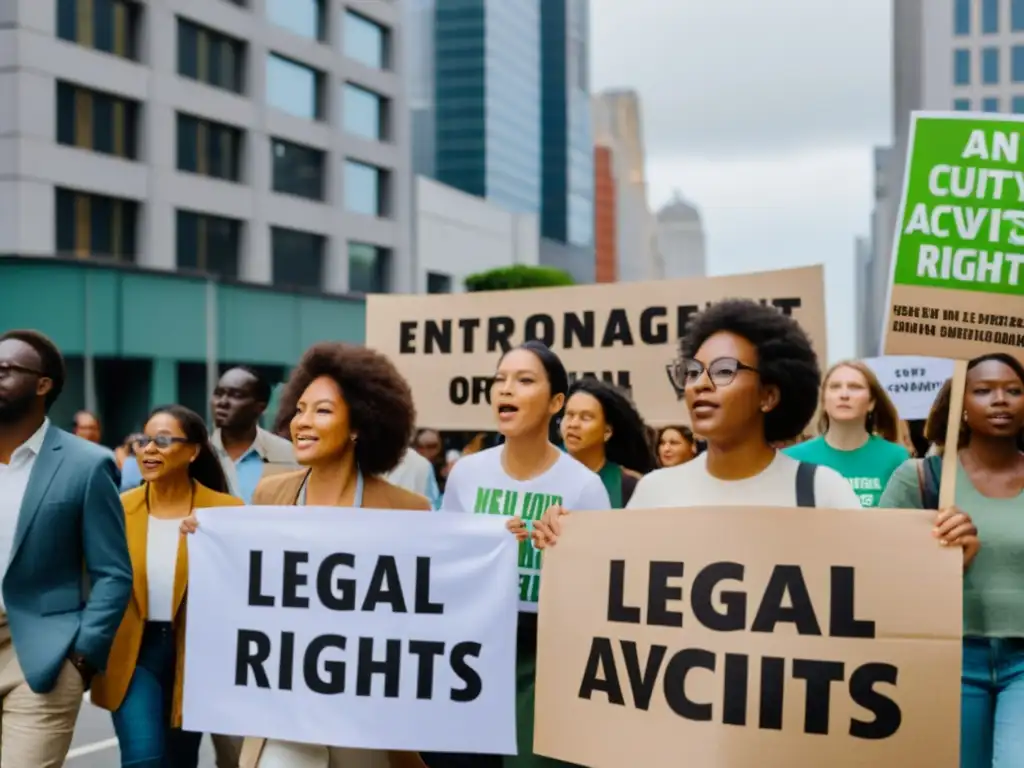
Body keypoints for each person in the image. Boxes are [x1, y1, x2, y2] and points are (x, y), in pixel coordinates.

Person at [537, 300, 976, 550]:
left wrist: (946, 555)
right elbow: (614, 589)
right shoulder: (656, 492)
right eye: (691, 372)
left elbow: (876, 589)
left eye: (724, 371)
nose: (700, 385)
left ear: (769, 394)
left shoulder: (821, 491)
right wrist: (566, 541)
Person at [185, 342, 431, 768]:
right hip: (284, 710)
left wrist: (497, 542)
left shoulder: (407, 509)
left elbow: (425, 615)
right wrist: (208, 541)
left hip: (364, 712)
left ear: (359, 424)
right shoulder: (270, 493)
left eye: (322, 411)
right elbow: (247, 585)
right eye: (299, 410)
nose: (302, 422)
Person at [433, 340, 610, 768]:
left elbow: (603, 594)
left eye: (524, 381)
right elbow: (441, 567)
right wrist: (479, 546)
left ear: (555, 402)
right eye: (499, 380)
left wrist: (567, 551)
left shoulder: (585, 487)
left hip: (544, 659)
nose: (505, 390)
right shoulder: (467, 475)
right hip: (470, 652)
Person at [879, 353, 1020, 768]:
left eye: (1014, 390)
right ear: (959, 404)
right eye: (983, 390)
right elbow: (878, 570)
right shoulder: (921, 478)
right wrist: (940, 564)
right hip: (949, 660)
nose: (1001, 400)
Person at [0, 329, 132, 766]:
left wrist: (82, 657)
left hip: (41, 655)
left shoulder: (85, 464)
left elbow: (112, 572)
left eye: (6, 370)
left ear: (43, 384)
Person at [91, 405, 242, 768]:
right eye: (143, 441)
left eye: (162, 440)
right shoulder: (118, 508)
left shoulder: (226, 512)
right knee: (144, 758)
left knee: (180, 760)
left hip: (198, 655)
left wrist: (213, 534)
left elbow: (245, 589)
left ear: (193, 451)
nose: (148, 449)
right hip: (132, 652)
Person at [784, 359, 909, 507]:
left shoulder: (897, 458)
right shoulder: (792, 459)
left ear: (871, 403)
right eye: (835, 387)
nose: (844, 394)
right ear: (824, 401)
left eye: (855, 387)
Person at [559, 378, 655, 507]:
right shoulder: (540, 475)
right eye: (569, 415)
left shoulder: (629, 485)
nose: (573, 424)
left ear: (607, 432)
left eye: (586, 417)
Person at [211, 366, 297, 504]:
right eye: (218, 393)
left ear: (260, 407)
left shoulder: (288, 454)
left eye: (236, 395)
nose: (222, 402)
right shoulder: (196, 453)